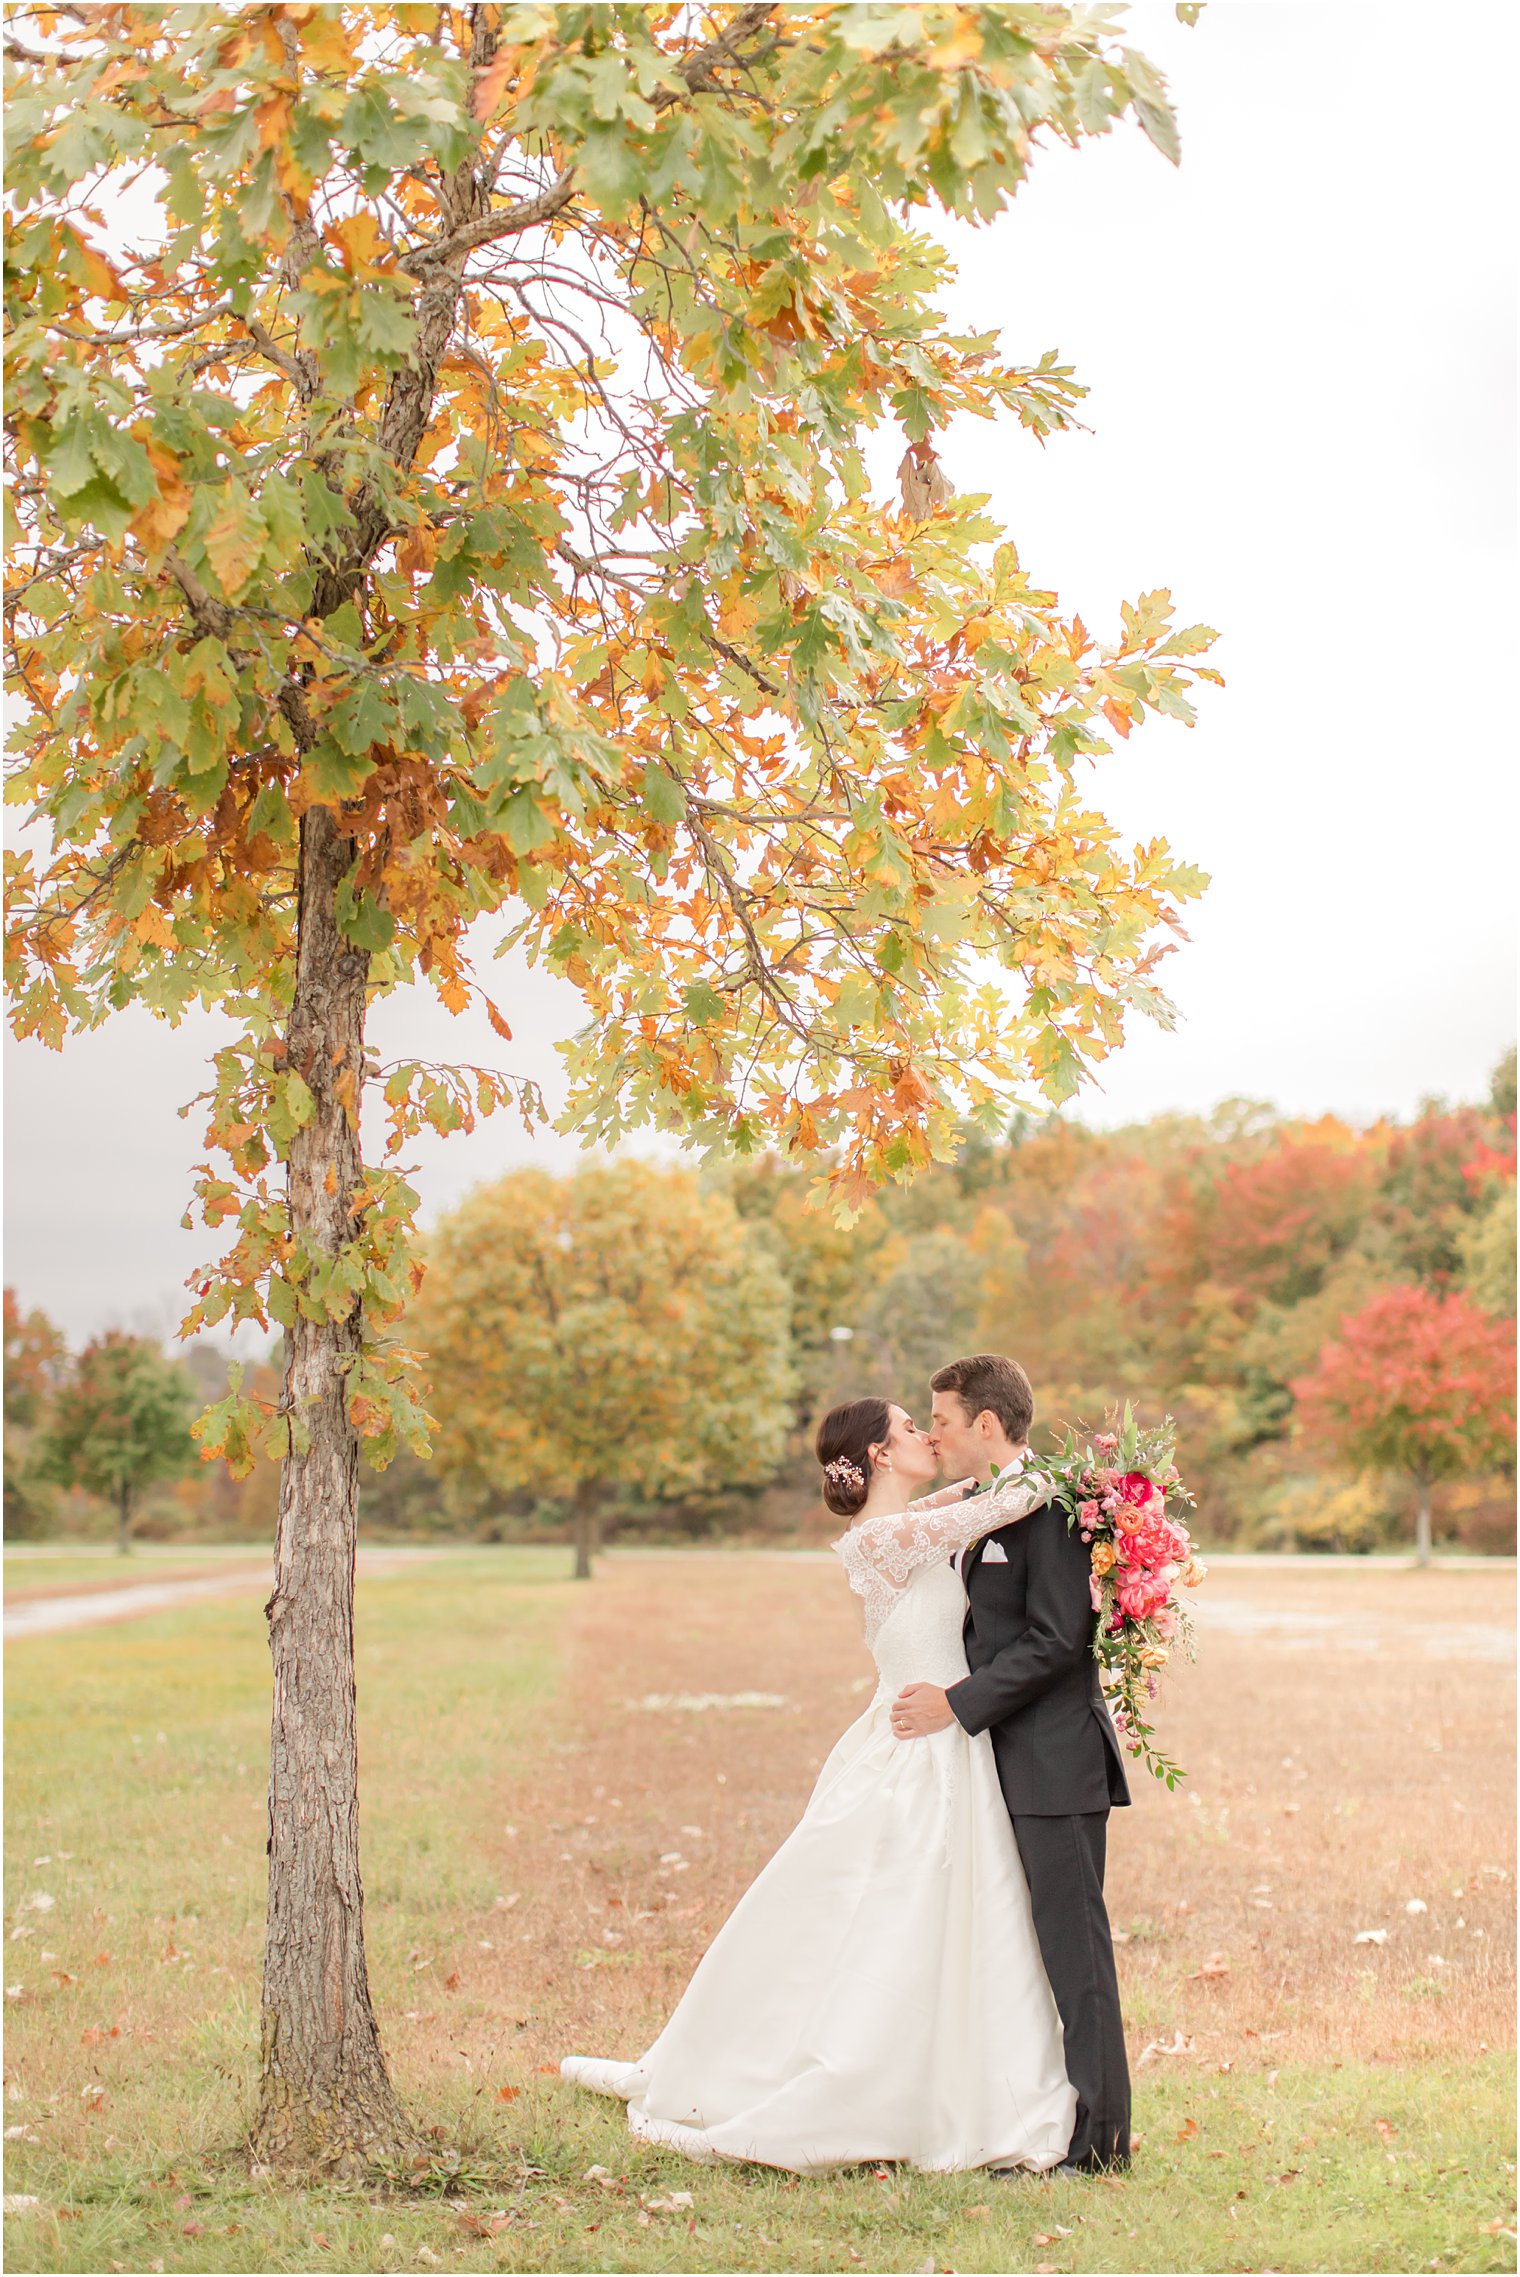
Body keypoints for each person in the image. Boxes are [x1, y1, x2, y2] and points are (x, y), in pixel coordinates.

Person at [560, 1395, 1077, 2173]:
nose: (927, 1434)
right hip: (918, 1747)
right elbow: (1005, 1501)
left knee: (950, 1914)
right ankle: (868, 2073)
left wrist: (999, 1474)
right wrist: (1090, 1478)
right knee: (899, 1910)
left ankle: (956, 2064)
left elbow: (965, 1498)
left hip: (944, 1738)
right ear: (876, 1452)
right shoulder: (885, 1537)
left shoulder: (905, 1519)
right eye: (911, 1426)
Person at [892, 1353, 1133, 2174]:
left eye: (947, 1421)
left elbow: (1059, 1639)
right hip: (1003, 1767)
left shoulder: (1051, 1504)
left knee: (1077, 1950)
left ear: (986, 1425)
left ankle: (1101, 2145)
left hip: (1055, 1763)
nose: (937, 1434)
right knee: (1034, 1949)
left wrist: (956, 1703)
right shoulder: (992, 1503)